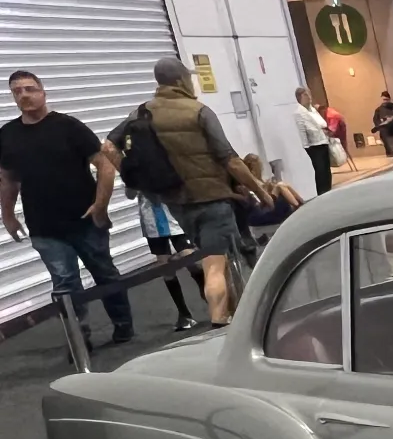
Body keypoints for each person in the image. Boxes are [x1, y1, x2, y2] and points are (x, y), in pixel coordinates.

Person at [105, 56, 269, 326]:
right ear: (181, 80)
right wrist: (260, 190)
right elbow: (229, 159)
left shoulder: (141, 113)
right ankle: (222, 320)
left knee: (210, 256)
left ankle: (232, 313)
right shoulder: (199, 111)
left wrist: (136, 178)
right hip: (212, 197)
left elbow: (108, 147)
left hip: (176, 202)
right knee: (216, 264)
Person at [0, 69, 131, 346]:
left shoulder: (68, 126)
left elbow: (105, 165)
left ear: (42, 91)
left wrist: (100, 205)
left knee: (105, 273)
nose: (23, 95)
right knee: (64, 283)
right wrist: (8, 215)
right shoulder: (8, 135)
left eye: (29, 88)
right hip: (44, 226)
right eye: (16, 91)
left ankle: (123, 324)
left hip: (84, 220)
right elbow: (8, 179)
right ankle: (80, 339)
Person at [135, 193, 201, 331]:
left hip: (175, 217)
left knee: (190, 259)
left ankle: (211, 298)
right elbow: (129, 194)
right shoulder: (133, 171)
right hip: (151, 221)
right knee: (165, 267)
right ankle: (184, 314)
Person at [292, 87, 333, 194]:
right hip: (314, 145)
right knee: (320, 170)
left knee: (327, 170)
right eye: (305, 95)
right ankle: (322, 193)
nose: (309, 97)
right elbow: (302, 130)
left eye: (309, 94)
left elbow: (321, 123)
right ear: (299, 97)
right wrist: (306, 146)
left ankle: (329, 190)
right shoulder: (299, 112)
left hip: (324, 141)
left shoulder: (313, 109)